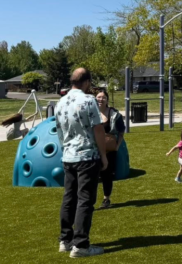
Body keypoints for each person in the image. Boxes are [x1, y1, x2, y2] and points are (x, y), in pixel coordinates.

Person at [55, 68, 108, 258]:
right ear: (86, 82)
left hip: (68, 156)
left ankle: (65, 240)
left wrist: (66, 150)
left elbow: (59, 131)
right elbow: (98, 129)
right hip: (87, 156)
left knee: (69, 198)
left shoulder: (60, 103)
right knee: (85, 200)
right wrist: (103, 155)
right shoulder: (88, 100)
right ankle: (81, 245)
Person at [96, 89, 125, 210]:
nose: (100, 99)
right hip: (95, 149)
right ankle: (88, 200)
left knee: (107, 175)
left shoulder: (114, 114)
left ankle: (106, 198)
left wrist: (117, 146)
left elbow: (121, 131)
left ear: (107, 100)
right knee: (91, 175)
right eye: (98, 97)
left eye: (103, 97)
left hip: (109, 150)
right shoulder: (91, 113)